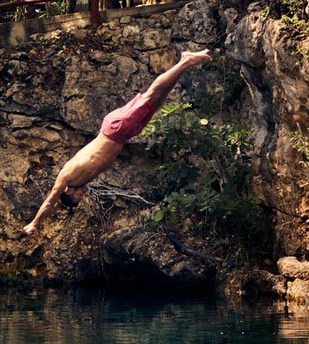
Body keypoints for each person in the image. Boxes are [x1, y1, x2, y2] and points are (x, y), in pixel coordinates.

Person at [22, 49, 213, 236]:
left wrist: (35, 223)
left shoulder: (65, 178)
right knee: (157, 101)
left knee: (150, 96)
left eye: (76, 198)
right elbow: (56, 206)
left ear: (67, 192)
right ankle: (183, 66)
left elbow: (50, 202)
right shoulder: (81, 180)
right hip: (123, 134)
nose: (81, 196)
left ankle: (185, 60)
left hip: (115, 130)